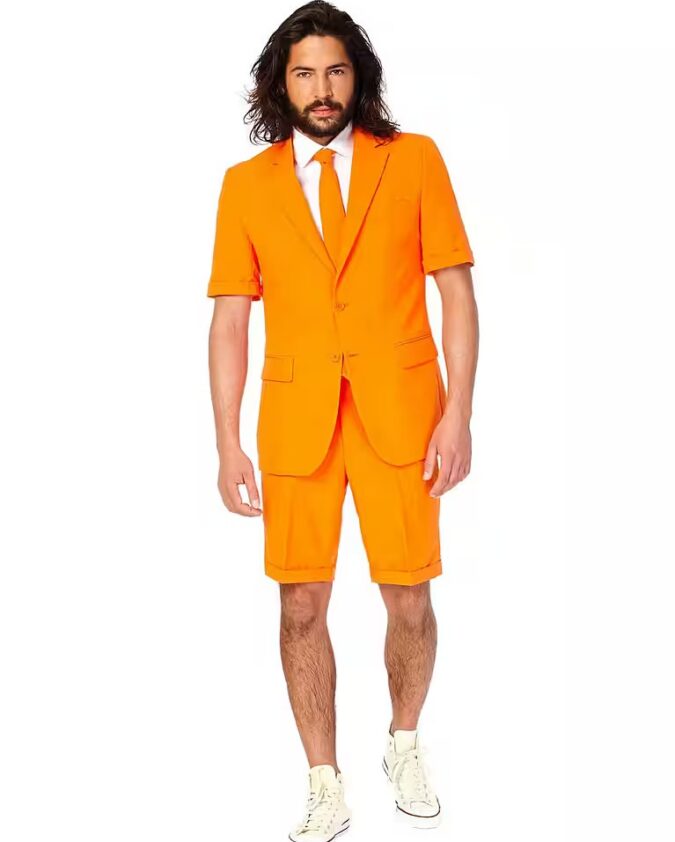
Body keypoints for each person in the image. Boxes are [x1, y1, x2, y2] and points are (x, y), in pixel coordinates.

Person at [206, 2, 479, 838]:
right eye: (303, 73)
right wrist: (225, 442)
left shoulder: (415, 159)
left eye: (334, 70)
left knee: (408, 597)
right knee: (299, 605)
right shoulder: (245, 186)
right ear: (278, 83)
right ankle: (323, 779)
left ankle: (404, 742)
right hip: (296, 422)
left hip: (403, 414)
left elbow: (456, 293)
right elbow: (229, 320)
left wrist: (458, 413)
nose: (321, 89)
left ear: (357, 77)